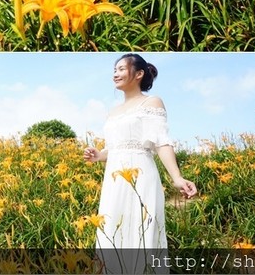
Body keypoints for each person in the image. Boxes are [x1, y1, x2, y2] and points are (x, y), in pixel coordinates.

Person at [83, 54, 197, 274]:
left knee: (141, 230)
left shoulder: (151, 102)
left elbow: (161, 142)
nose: (115, 74)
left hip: (141, 176)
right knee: (112, 229)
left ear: (139, 74)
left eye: (121, 69)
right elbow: (115, 148)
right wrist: (98, 155)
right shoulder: (113, 111)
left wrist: (177, 177)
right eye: (114, 70)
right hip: (114, 180)